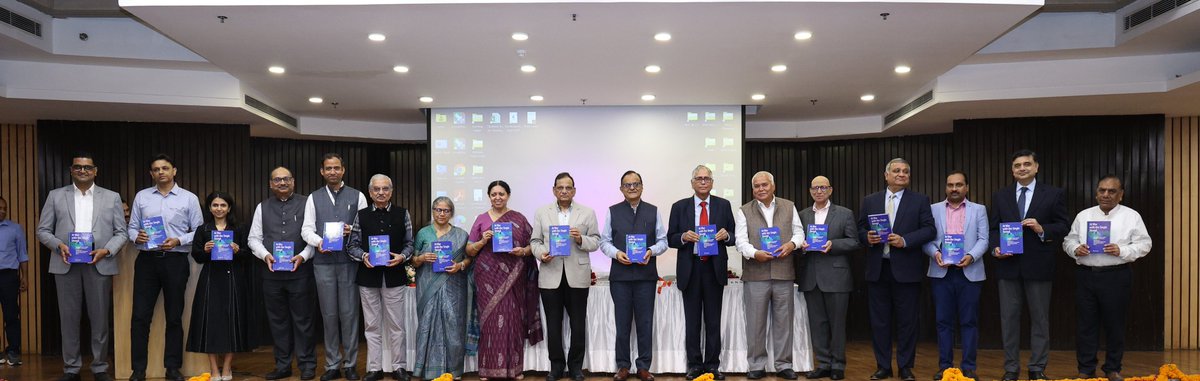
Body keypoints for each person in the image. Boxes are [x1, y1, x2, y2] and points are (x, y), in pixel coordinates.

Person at [36, 152, 126, 381]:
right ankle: (71, 368)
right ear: (71, 170)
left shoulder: (112, 197)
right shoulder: (56, 196)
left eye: (87, 168)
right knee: (68, 319)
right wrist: (58, 246)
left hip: (99, 263)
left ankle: (100, 367)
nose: (82, 171)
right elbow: (42, 231)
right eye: (78, 167)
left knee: (100, 319)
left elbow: (121, 232)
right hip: (66, 263)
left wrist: (107, 250)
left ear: (95, 171)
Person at [987, 149, 1069, 381]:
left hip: (1039, 266)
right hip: (1008, 267)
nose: (1022, 168)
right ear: (1012, 170)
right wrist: (996, 248)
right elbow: (993, 229)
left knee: (1040, 319)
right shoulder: (1000, 196)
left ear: (1036, 167)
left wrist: (1042, 228)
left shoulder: (1053, 194)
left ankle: (1037, 368)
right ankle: (1011, 369)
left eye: (1026, 164)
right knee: (1009, 320)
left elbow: (1064, 225)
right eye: (1017, 165)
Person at [1063, 175, 1151, 381]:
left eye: (1112, 191)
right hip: (1086, 276)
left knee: (1115, 324)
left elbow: (1145, 244)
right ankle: (1086, 369)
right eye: (1102, 190)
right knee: (1086, 325)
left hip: (1116, 276)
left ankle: (1113, 368)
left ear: (1121, 195)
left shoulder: (1132, 216)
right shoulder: (1084, 215)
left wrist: (1122, 250)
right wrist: (1076, 249)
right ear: (1096, 193)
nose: (1106, 194)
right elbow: (1068, 240)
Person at [127, 154, 204, 381]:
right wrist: (136, 236)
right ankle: (138, 370)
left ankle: (172, 368)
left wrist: (178, 240)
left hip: (175, 261)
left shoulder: (189, 198)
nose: (161, 172)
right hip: (147, 261)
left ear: (174, 171)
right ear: (151, 173)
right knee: (140, 317)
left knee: (174, 317)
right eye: (156, 169)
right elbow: (131, 227)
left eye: (165, 168)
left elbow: (199, 231)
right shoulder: (142, 196)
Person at [857, 158, 935, 381]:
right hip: (878, 270)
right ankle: (883, 366)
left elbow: (929, 230)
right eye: (897, 171)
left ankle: (905, 367)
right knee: (879, 322)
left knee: (907, 322)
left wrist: (905, 240)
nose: (902, 174)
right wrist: (867, 237)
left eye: (906, 171)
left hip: (907, 271)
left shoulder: (919, 200)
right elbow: (860, 228)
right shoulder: (870, 200)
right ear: (886, 175)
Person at [301, 153, 369, 381]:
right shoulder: (313, 198)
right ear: (322, 171)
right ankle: (332, 365)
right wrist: (319, 242)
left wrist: (353, 230)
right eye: (328, 168)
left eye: (336, 168)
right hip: (323, 264)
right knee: (328, 315)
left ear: (343, 170)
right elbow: (306, 230)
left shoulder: (358, 196)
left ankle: (350, 364)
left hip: (349, 263)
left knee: (349, 315)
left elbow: (365, 227)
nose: (333, 171)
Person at [466, 180, 542, 380]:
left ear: (508, 195)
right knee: (489, 321)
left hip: (514, 277)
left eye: (501, 194)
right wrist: (483, 240)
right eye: (494, 194)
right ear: (489, 196)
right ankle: (486, 369)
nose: (497, 197)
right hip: (487, 277)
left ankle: (515, 369)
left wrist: (522, 251)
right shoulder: (481, 219)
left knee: (512, 320)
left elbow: (533, 245)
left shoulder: (519, 218)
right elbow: (469, 249)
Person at [249, 167, 318, 381]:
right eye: (277, 180)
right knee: (278, 322)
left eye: (286, 179)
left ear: (293, 181)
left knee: (303, 321)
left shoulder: (307, 203)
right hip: (271, 275)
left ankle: (307, 365)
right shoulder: (262, 207)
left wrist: (303, 256)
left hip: (301, 273)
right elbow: (253, 239)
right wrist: (266, 255)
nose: (282, 183)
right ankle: (282, 366)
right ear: (270, 184)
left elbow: (314, 236)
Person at [667, 165, 735, 380]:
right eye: (699, 178)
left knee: (713, 321)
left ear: (712, 182)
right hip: (691, 268)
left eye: (707, 178)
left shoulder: (723, 205)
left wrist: (726, 235)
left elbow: (733, 235)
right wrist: (683, 237)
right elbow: (670, 238)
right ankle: (695, 365)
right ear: (692, 183)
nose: (703, 182)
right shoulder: (679, 207)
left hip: (714, 269)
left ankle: (713, 365)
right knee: (693, 321)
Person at [529, 172, 600, 381]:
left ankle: (576, 367)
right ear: (554, 190)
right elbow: (534, 241)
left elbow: (596, 241)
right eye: (560, 188)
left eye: (568, 188)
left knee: (578, 325)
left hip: (577, 275)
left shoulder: (587, 212)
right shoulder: (542, 212)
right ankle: (556, 367)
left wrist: (581, 239)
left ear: (574, 191)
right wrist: (542, 253)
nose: (564, 191)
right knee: (553, 325)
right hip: (550, 275)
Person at [600, 170, 668, 381]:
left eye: (636, 184)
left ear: (642, 187)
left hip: (645, 277)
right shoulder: (612, 211)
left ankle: (643, 366)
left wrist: (651, 251)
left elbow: (663, 241)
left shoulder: (653, 211)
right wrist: (616, 254)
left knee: (645, 324)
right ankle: (623, 366)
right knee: (622, 324)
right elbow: (604, 242)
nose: (632, 188)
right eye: (627, 185)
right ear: (621, 189)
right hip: (620, 278)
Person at [734, 171, 802, 380]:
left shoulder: (789, 206)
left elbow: (799, 233)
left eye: (764, 185)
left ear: (773, 186)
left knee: (784, 322)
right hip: (756, 274)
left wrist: (792, 244)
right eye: (756, 186)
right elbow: (740, 241)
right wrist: (755, 253)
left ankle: (784, 365)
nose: (761, 189)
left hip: (784, 273)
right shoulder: (744, 210)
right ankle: (756, 365)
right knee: (755, 323)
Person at [346, 174, 415, 381]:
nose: (381, 193)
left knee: (397, 325)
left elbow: (410, 244)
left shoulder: (403, 213)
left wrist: (402, 256)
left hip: (394, 277)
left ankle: (399, 367)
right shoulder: (361, 215)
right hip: (368, 278)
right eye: (376, 189)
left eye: (385, 189)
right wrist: (363, 256)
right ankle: (374, 368)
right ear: (370, 192)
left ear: (391, 192)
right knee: (372, 325)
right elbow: (352, 245)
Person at [922, 172, 988, 381]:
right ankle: (945, 367)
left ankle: (968, 367)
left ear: (966, 187)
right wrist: (935, 253)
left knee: (969, 322)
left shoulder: (979, 210)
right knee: (943, 322)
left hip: (970, 273)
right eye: (950, 185)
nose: (954, 188)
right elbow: (926, 239)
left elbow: (984, 239)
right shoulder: (933, 209)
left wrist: (971, 256)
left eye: (959, 185)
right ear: (945, 188)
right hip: (941, 273)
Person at [795, 176, 859, 381]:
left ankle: (838, 365)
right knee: (817, 324)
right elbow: (796, 241)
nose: (819, 191)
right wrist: (801, 246)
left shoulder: (844, 213)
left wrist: (833, 244)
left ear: (830, 190)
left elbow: (854, 242)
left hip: (837, 277)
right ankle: (823, 364)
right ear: (810, 191)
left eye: (823, 187)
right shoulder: (802, 215)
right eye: (815, 188)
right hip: (811, 277)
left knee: (837, 324)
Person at [187, 192, 254, 381]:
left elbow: (247, 255)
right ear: (209, 208)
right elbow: (197, 256)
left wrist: (237, 250)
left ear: (229, 208)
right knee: (210, 323)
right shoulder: (203, 229)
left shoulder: (239, 228)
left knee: (232, 322)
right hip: (210, 280)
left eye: (223, 205)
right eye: (215, 205)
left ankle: (227, 368)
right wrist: (205, 250)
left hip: (234, 279)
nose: (219, 209)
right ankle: (214, 369)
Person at [410, 197, 473, 381]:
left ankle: (454, 370)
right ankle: (426, 369)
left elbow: (469, 259)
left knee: (454, 325)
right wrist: (421, 258)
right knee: (426, 324)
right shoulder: (423, 233)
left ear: (451, 213)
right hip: (427, 286)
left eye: (446, 210)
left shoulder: (461, 234)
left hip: (454, 287)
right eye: (438, 210)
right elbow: (413, 260)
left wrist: (459, 265)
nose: (442, 214)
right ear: (433, 211)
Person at [0, 195, 28, 368]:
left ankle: (13, 351)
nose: (3, 211)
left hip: (8, 276)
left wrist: (25, 276)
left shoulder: (15, 228)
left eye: (5, 209)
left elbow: (22, 254)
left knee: (11, 315)